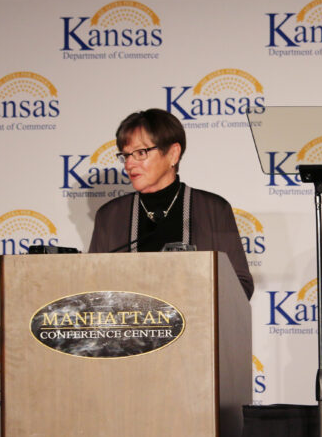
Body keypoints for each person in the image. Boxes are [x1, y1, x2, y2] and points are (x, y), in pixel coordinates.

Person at [88, 109, 254, 300]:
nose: (129, 164)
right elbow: (92, 287)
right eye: (126, 155)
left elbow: (241, 285)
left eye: (140, 153)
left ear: (173, 154)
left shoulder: (214, 210)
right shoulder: (110, 216)